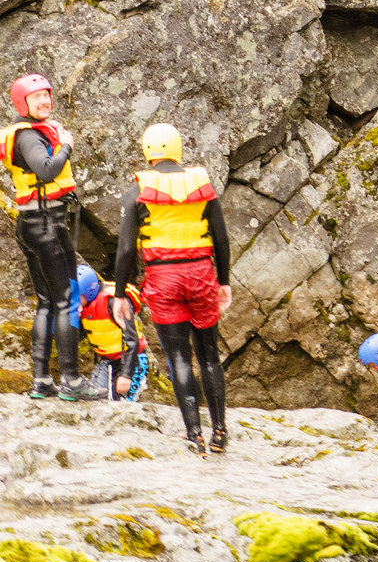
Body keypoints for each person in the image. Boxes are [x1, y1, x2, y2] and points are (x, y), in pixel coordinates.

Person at [113, 123, 231, 454]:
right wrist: (224, 282)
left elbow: (125, 251)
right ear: (178, 149)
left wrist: (120, 294)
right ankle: (219, 431)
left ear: (148, 152)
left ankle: (194, 434)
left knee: (179, 356)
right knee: (209, 353)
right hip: (200, 275)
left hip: (162, 279)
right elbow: (220, 239)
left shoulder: (137, 191)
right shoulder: (202, 185)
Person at [5, 73, 86, 400]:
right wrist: (67, 144)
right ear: (22, 103)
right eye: (36, 97)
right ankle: (71, 382)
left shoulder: (28, 132)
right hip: (47, 224)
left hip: (31, 223)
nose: (44, 101)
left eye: (46, 95)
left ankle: (41, 381)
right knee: (67, 301)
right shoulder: (27, 136)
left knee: (46, 301)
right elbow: (47, 170)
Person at [73, 263, 150, 402]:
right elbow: (76, 339)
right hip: (106, 362)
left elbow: (133, 341)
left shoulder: (113, 302)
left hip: (132, 360)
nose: (73, 300)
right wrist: (75, 320)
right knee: (94, 401)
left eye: (76, 296)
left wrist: (126, 375)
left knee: (123, 403)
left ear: (88, 291)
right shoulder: (82, 307)